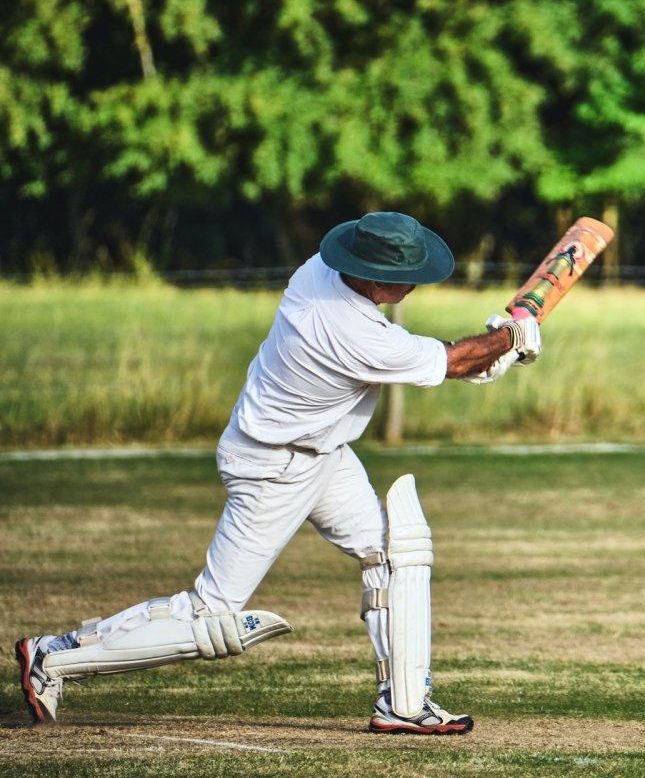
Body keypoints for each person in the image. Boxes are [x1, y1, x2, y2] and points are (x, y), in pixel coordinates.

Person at [15, 212, 539, 735]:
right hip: (273, 467)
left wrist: (499, 346)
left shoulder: (319, 270)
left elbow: (453, 362)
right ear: (376, 278)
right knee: (211, 615)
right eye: (407, 274)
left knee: (395, 553)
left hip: (321, 454)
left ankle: (403, 705)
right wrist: (508, 339)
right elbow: (449, 362)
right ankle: (53, 656)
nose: (415, 282)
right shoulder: (350, 331)